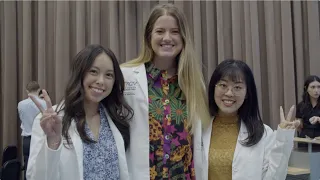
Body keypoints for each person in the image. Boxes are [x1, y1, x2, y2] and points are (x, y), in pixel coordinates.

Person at [121, 3, 210, 180]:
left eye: (175, 32)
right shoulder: (126, 77)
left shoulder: (192, 83)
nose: (167, 38)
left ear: (183, 37)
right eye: (160, 31)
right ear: (149, 36)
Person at [26, 44, 134, 180]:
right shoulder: (51, 120)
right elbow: (36, 177)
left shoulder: (116, 121)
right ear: (80, 74)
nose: (101, 81)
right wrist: (53, 142)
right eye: (93, 71)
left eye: (108, 75)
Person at [203, 59, 300, 180]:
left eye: (237, 87)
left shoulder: (262, 133)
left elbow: (275, 177)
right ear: (213, 88)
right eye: (223, 85)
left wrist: (283, 138)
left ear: (247, 93)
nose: (229, 93)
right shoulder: (198, 130)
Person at [17, 81, 46, 180]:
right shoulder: (44, 103)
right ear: (39, 90)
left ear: (26, 91)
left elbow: (23, 120)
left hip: (27, 140)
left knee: (27, 167)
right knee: (40, 167)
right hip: (40, 139)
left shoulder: (21, 104)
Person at [296, 75, 320, 145]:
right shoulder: (301, 105)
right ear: (306, 88)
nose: (316, 90)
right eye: (313, 87)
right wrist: (297, 123)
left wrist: (319, 119)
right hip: (305, 141)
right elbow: (300, 126)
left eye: (319, 87)